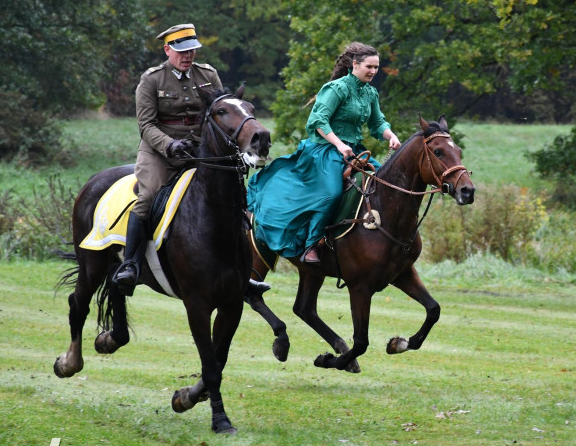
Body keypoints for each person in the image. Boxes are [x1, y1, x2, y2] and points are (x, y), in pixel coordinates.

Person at [112, 23, 268, 296]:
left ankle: (242, 272)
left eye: (192, 50)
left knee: (233, 195)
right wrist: (170, 145)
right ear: (167, 49)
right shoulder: (152, 79)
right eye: (182, 51)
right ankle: (130, 265)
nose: (188, 56)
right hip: (160, 151)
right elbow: (146, 126)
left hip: (201, 150)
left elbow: (223, 110)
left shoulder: (208, 74)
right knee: (147, 197)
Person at [247, 41, 401, 264]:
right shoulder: (336, 88)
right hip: (324, 151)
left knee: (384, 183)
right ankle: (312, 244)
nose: (373, 71)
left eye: (376, 67)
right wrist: (338, 144)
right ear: (354, 65)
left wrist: (391, 135)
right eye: (369, 66)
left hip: (354, 152)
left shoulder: (370, 93)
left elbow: (378, 123)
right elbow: (318, 120)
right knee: (332, 193)